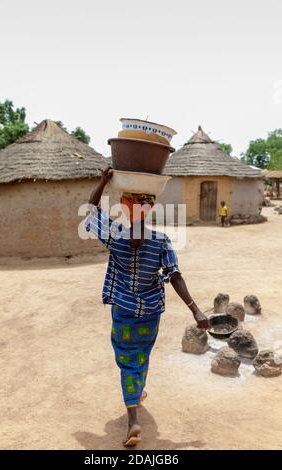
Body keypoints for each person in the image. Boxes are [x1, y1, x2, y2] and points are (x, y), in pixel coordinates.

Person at [84, 167, 208, 447]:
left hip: (124, 312)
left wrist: (104, 180)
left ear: (126, 211)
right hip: (150, 314)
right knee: (142, 355)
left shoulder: (115, 236)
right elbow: (174, 275)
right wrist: (195, 309)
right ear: (149, 211)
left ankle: (132, 420)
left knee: (128, 362)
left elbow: (91, 209)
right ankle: (137, 393)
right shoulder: (161, 241)